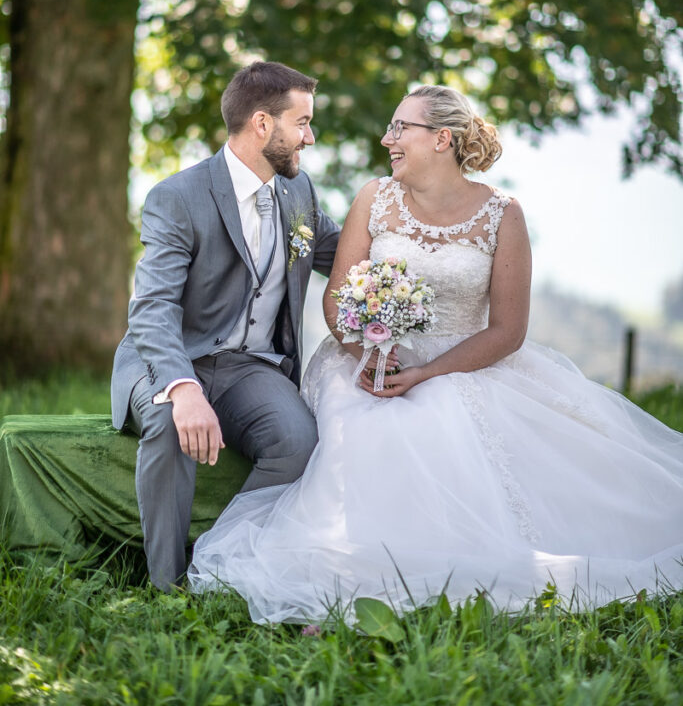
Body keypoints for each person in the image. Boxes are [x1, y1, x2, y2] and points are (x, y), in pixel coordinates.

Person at [187, 84, 683, 621]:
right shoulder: (374, 199)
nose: (387, 139)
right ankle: (354, 580)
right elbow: (338, 298)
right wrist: (366, 353)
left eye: (401, 128)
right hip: (367, 361)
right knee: (377, 429)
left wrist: (429, 372)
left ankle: (440, 576)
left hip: (469, 361)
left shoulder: (503, 214)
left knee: (445, 420)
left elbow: (509, 330)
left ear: (442, 138)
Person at [111, 61, 340, 590]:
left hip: (250, 369)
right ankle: (166, 587)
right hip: (170, 360)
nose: (310, 136)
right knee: (171, 423)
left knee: (297, 440)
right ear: (263, 124)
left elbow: (341, 252)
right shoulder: (178, 197)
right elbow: (152, 308)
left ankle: (221, 565)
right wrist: (182, 386)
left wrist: (416, 229)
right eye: (302, 123)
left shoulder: (298, 192)